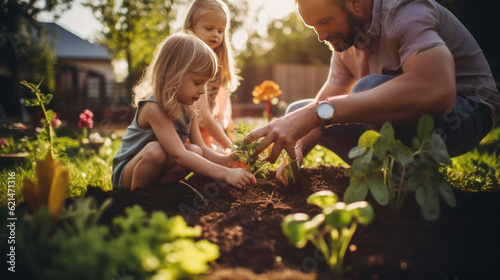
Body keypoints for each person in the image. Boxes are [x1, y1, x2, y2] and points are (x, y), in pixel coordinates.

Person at [244, 0, 500, 185]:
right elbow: (321, 106)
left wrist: (315, 113)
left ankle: (406, 177)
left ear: (355, 3)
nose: (321, 36)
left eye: (325, 21)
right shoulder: (343, 43)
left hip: (468, 112)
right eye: (313, 27)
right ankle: (385, 170)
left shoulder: (404, 10)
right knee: (297, 111)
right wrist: (295, 147)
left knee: (364, 89)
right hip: (406, 121)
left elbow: (438, 89)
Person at [112, 33, 255, 190]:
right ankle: (136, 200)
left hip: (158, 167)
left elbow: (202, 147)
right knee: (156, 150)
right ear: (174, 76)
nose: (202, 91)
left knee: (195, 150)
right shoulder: (154, 107)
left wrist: (226, 161)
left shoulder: (189, 107)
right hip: (127, 176)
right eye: (197, 82)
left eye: (206, 84)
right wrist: (226, 173)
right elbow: (178, 154)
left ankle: (161, 193)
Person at [183, 0, 240, 152]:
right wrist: (230, 146)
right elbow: (202, 115)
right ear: (191, 27)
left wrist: (228, 138)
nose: (216, 34)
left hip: (207, 131)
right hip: (185, 132)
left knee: (224, 158)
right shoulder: (190, 63)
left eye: (221, 31)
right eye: (209, 28)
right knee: (216, 160)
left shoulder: (219, 62)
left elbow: (222, 109)